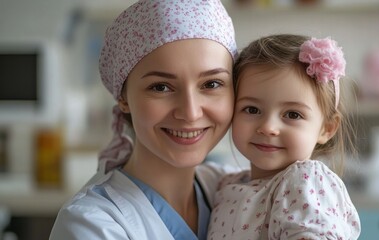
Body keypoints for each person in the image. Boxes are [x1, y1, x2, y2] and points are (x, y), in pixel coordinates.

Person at [49, 0, 238, 239]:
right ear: (123, 98)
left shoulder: (232, 190)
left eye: (211, 84)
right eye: (161, 87)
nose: (191, 112)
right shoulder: (91, 225)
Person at [207, 34, 361, 239]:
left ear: (327, 129)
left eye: (292, 114)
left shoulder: (305, 181)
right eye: (252, 109)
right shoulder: (226, 183)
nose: (268, 127)